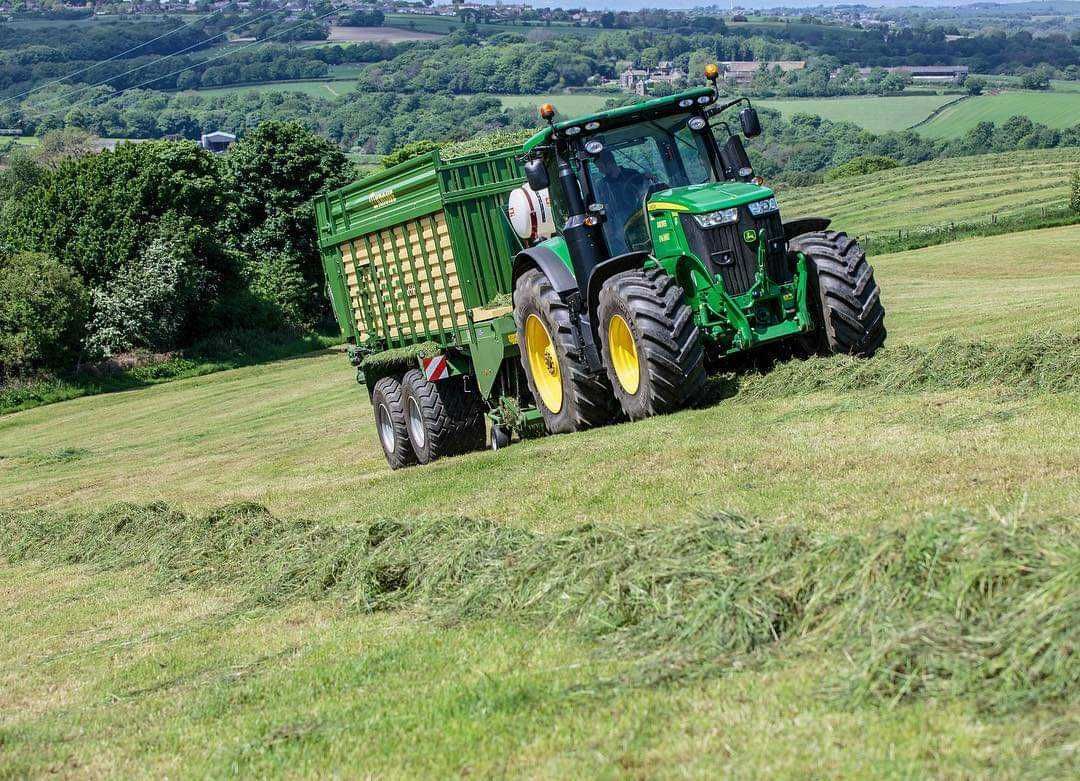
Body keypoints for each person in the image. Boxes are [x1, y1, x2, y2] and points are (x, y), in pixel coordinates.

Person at [592, 150, 652, 254]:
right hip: (618, 220)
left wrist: (647, 178)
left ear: (609, 163)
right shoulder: (602, 185)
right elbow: (601, 206)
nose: (600, 170)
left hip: (638, 212)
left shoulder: (632, 174)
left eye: (600, 167)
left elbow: (644, 192)